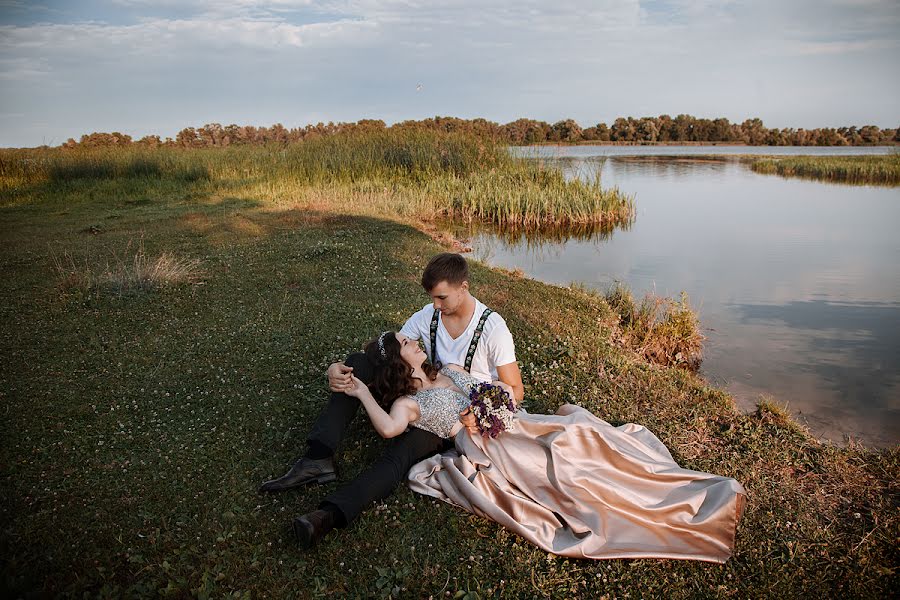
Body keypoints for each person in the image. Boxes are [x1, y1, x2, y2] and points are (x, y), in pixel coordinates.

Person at [346, 331, 747, 563]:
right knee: (562, 465)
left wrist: (495, 402)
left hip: (511, 423)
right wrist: (363, 392)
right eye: (406, 341)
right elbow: (387, 429)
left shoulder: (449, 369)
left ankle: (671, 490)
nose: (414, 340)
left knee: (575, 435)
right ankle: (658, 512)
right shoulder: (406, 404)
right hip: (485, 445)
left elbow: (496, 389)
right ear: (397, 362)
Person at [258, 253, 523, 549]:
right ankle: (318, 456)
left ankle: (328, 515)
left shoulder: (492, 328)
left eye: (441, 297)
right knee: (358, 361)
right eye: (432, 297)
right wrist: (338, 369)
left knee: (400, 456)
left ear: (464, 287)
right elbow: (388, 349)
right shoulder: (429, 316)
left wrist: (481, 407)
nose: (435, 305)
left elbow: (515, 389)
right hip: (417, 389)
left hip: (451, 417)